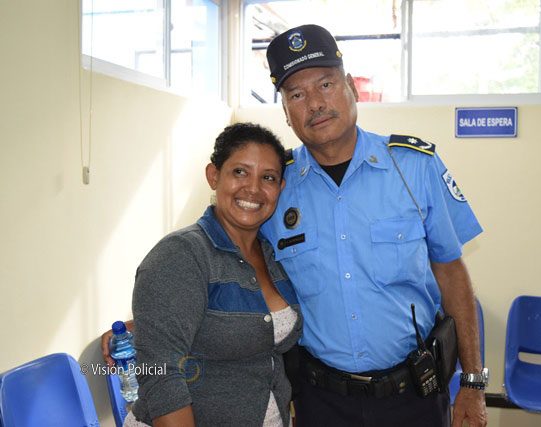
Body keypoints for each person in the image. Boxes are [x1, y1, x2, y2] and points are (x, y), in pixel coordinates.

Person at [259, 24, 488, 427]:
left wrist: (472, 381)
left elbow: (451, 271)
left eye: (326, 84)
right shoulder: (276, 186)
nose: (315, 103)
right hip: (320, 401)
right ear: (286, 112)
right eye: (296, 94)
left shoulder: (414, 167)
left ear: (351, 87)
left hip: (414, 396)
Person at [110, 123, 302, 426]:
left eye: (268, 177)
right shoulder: (181, 254)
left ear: (280, 187)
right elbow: (161, 374)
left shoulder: (272, 255)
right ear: (214, 176)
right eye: (240, 171)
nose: (253, 188)